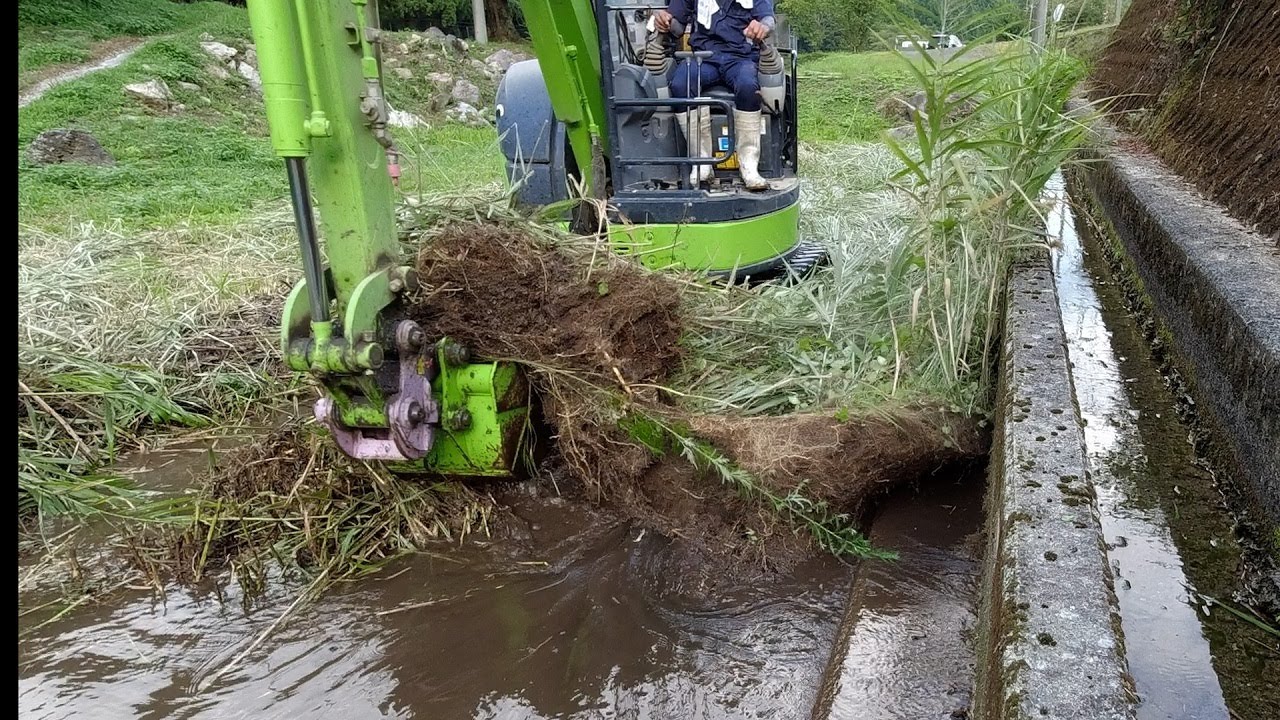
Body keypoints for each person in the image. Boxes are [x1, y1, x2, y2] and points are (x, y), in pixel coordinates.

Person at [654, 0, 775, 191]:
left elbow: (768, 19)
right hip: (704, 57)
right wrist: (665, 20)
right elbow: (677, 28)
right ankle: (702, 162)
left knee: (748, 86)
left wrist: (762, 27)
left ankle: (749, 166)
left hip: (741, 58)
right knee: (680, 84)